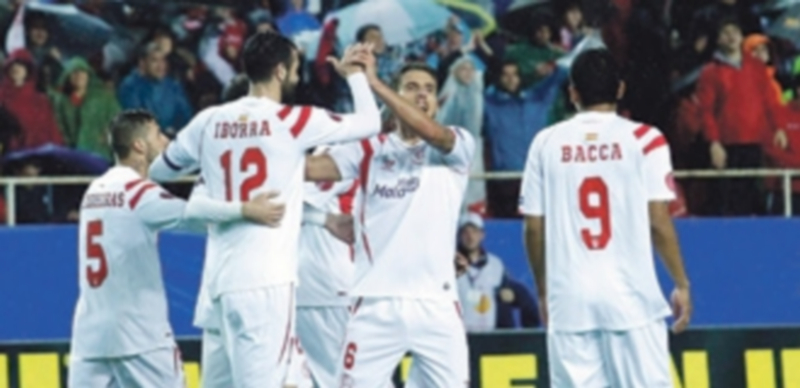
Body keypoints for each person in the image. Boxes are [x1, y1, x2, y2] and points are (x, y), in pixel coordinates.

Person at [148, 31, 381, 387]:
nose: (298, 76)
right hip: (265, 282)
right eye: (296, 68)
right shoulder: (292, 121)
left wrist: (213, 173)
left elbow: (159, 171)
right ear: (280, 71)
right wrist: (355, 76)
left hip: (219, 285)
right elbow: (370, 122)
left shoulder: (208, 121)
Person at [68, 110, 284, 387]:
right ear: (139, 145)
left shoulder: (94, 191)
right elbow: (197, 217)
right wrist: (246, 210)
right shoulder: (138, 193)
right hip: (140, 336)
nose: (166, 141)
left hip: (90, 338)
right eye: (158, 134)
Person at [519, 49, 692, 386]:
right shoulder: (646, 140)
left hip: (569, 302)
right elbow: (658, 221)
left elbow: (534, 228)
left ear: (573, 93)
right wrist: (681, 283)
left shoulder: (545, 143)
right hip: (632, 301)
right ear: (620, 89)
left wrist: (543, 290)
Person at [305, 62, 475, 385]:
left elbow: (433, 133)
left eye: (429, 89)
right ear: (394, 98)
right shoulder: (368, 149)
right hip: (374, 303)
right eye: (411, 87)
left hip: (437, 306)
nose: (422, 95)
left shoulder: (457, 144)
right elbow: (309, 169)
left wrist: (373, 82)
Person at [696, 20, 785, 215]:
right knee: (728, 199)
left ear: (742, 36)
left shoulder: (756, 68)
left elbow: (770, 101)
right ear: (718, 39)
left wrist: (778, 128)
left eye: (735, 31)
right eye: (725, 32)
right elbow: (706, 111)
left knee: (753, 197)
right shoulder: (710, 72)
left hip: (755, 142)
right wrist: (714, 142)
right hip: (727, 145)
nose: (731, 37)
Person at [296, 174, 359, 387]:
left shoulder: (338, 162)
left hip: (325, 288)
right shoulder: (333, 161)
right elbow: (286, 201)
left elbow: (284, 199)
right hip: (325, 289)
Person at [455, 213, 539, 332]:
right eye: (465, 232)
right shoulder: (449, 266)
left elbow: (518, 295)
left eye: (474, 231)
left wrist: (529, 333)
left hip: (491, 335)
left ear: (482, 235)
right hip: (460, 334)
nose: (470, 236)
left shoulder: (495, 264)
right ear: (459, 236)